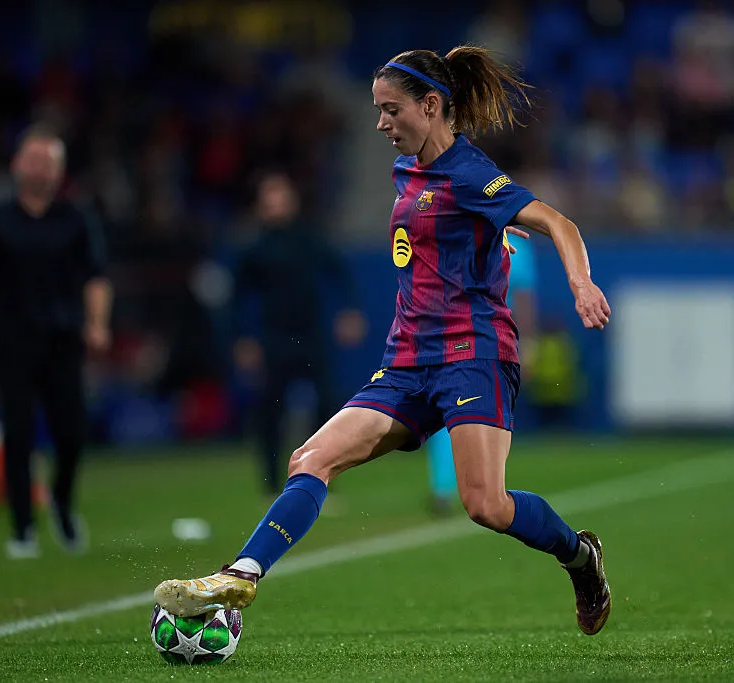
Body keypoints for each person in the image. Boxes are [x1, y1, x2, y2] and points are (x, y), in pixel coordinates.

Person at [154, 46, 612, 635]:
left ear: (430, 105)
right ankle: (241, 572)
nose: (380, 123)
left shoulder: (469, 173)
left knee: (486, 506)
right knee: (310, 459)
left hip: (472, 354)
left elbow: (558, 223)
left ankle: (580, 556)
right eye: (377, 110)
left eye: (391, 109)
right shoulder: (406, 170)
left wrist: (580, 283)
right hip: (406, 362)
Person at [0, 123, 112, 559]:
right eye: (33, 159)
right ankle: (22, 526)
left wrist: (97, 323)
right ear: (16, 165)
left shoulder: (75, 219)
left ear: (59, 170)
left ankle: (62, 504)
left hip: (63, 338)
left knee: (71, 432)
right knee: (16, 433)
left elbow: (95, 276)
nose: (39, 168)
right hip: (11, 340)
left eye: (48, 161)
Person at [232, 170, 366, 495]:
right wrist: (244, 339)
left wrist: (349, 312)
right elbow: (238, 297)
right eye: (270, 196)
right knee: (271, 411)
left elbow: (340, 273)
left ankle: (321, 475)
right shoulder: (255, 247)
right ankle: (270, 482)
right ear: (261, 204)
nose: (276, 203)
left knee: (326, 408)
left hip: (311, 337)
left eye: (281, 195)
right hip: (275, 339)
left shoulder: (309, 239)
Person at [424, 230, 538, 514]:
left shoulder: (460, 236)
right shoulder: (510, 245)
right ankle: (460, 488)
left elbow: (523, 300)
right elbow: (524, 301)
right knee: (470, 416)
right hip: (478, 345)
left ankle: (457, 488)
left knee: (452, 416)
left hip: (478, 343)